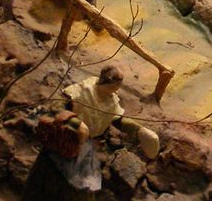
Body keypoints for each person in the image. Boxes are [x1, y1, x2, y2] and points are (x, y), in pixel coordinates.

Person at [23, 66, 159, 200]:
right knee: (45, 182)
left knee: (83, 188)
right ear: (109, 81)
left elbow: (117, 119)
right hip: (63, 142)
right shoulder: (82, 91)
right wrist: (76, 123)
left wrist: (138, 130)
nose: (118, 87)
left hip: (84, 150)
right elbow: (57, 106)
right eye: (117, 83)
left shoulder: (111, 101)